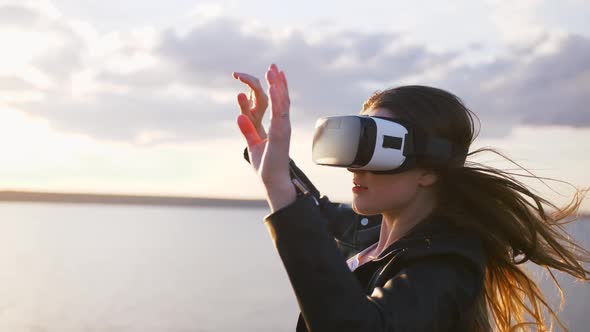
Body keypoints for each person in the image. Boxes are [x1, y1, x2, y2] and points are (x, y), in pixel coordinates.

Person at [232, 64, 589, 331]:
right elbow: (312, 214)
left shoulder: (445, 267)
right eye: (355, 147)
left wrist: (280, 186)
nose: (356, 167)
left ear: (430, 170)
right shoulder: (368, 233)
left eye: (374, 151)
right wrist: (267, 156)